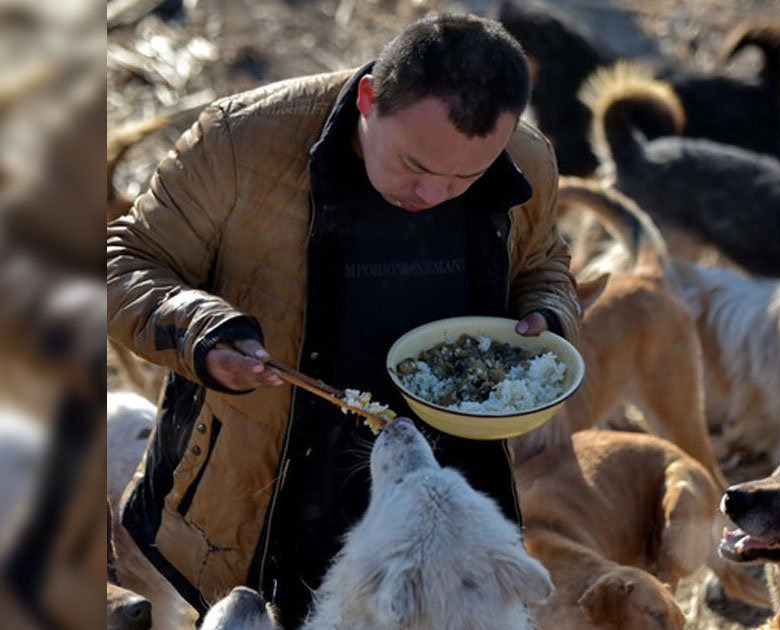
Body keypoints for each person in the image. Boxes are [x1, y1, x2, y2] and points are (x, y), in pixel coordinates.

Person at [106, 13, 580, 626]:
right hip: (263, 489)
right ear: (368, 98)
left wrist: (547, 313)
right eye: (416, 165)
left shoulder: (525, 158)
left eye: (468, 176)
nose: (435, 194)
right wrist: (204, 330)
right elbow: (123, 262)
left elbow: (543, 262)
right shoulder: (240, 142)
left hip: (438, 492)